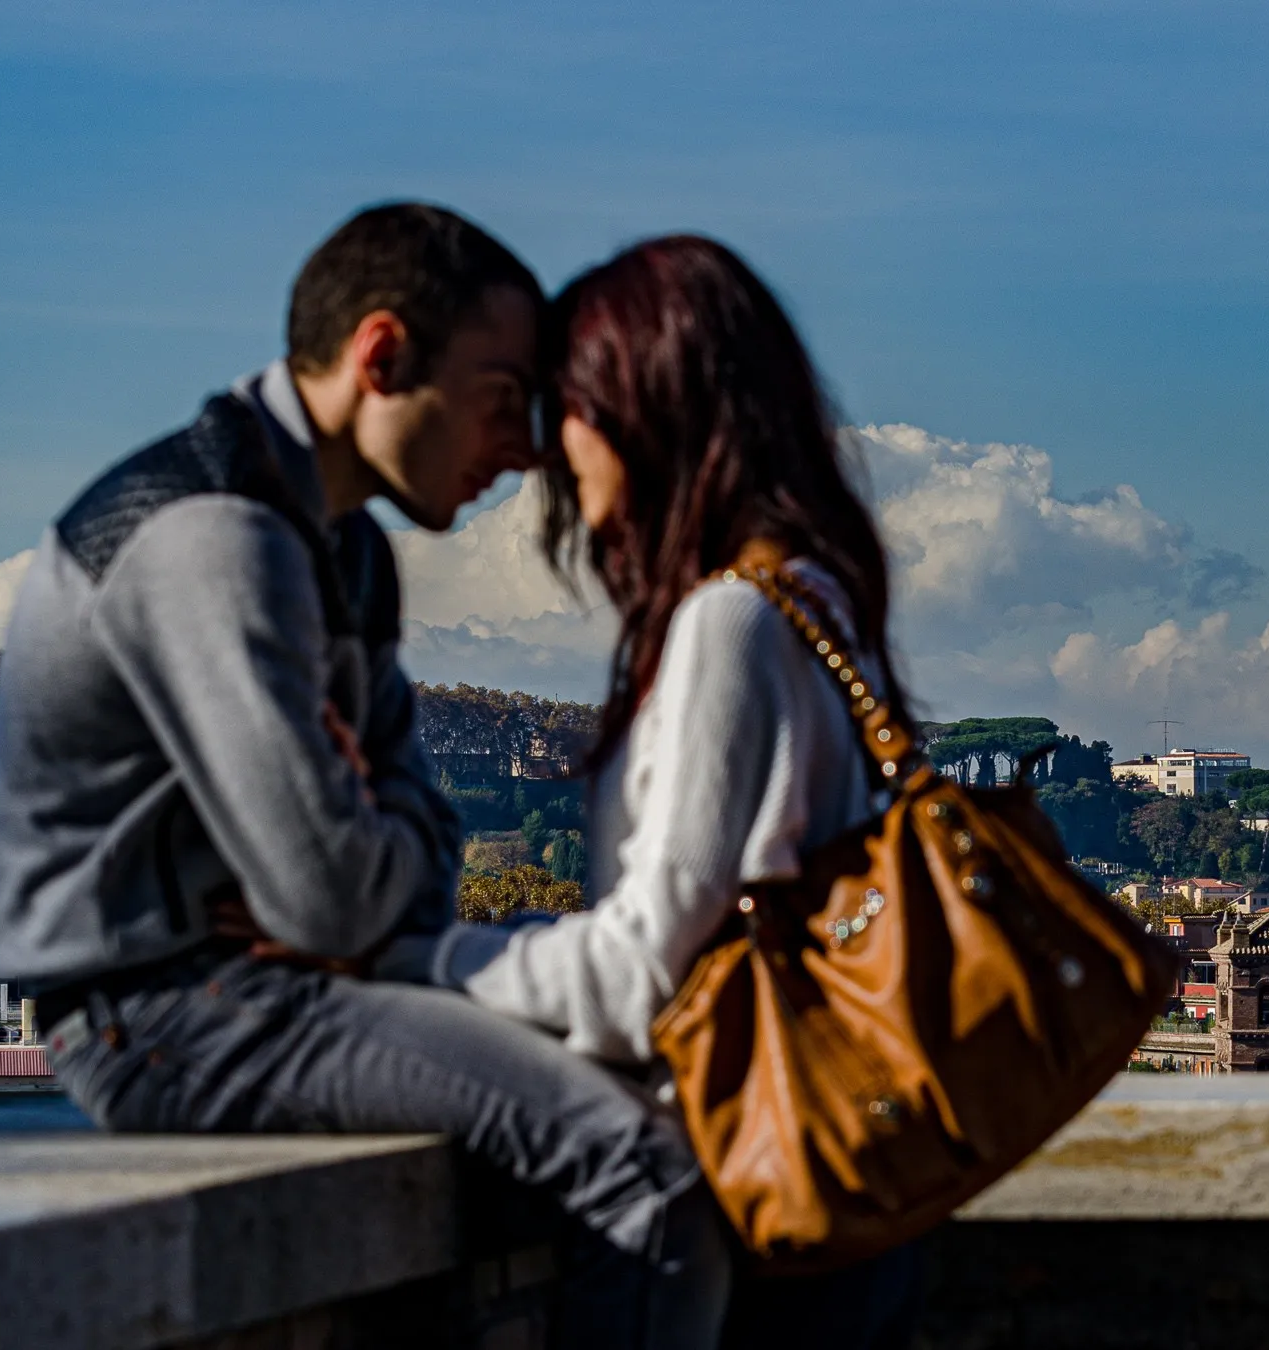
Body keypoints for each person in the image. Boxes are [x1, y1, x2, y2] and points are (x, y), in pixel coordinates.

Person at [0, 203, 727, 1346]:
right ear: (382, 357)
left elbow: (413, 864)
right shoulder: (213, 539)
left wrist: (353, 845)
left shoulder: (340, 548)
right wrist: (348, 854)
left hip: (251, 992)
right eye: (499, 394)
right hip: (169, 1015)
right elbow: (331, 891)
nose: (526, 445)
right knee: (643, 1169)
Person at [426, 235, 920, 1347]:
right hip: (850, 1199)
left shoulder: (729, 623)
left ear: (639, 408)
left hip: (743, 1205)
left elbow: (648, 967)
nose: (551, 449)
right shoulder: (819, 601)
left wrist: (418, 964)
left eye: (570, 408)